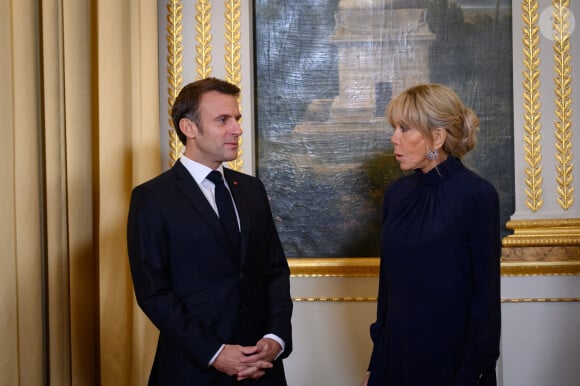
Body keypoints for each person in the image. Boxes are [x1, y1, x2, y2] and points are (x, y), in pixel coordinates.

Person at [127, 77, 293, 385]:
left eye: (237, 119)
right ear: (188, 128)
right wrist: (215, 353)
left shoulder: (252, 190)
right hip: (192, 369)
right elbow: (153, 292)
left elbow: (274, 271)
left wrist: (276, 337)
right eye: (223, 120)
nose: (237, 129)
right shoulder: (152, 198)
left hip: (261, 369)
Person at [360, 84, 501, 386]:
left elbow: (485, 296)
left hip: (451, 363)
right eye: (394, 128)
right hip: (394, 357)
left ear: (437, 137)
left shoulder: (477, 195)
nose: (394, 138)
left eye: (405, 129)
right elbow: (388, 288)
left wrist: (472, 370)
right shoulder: (397, 195)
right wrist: (375, 365)